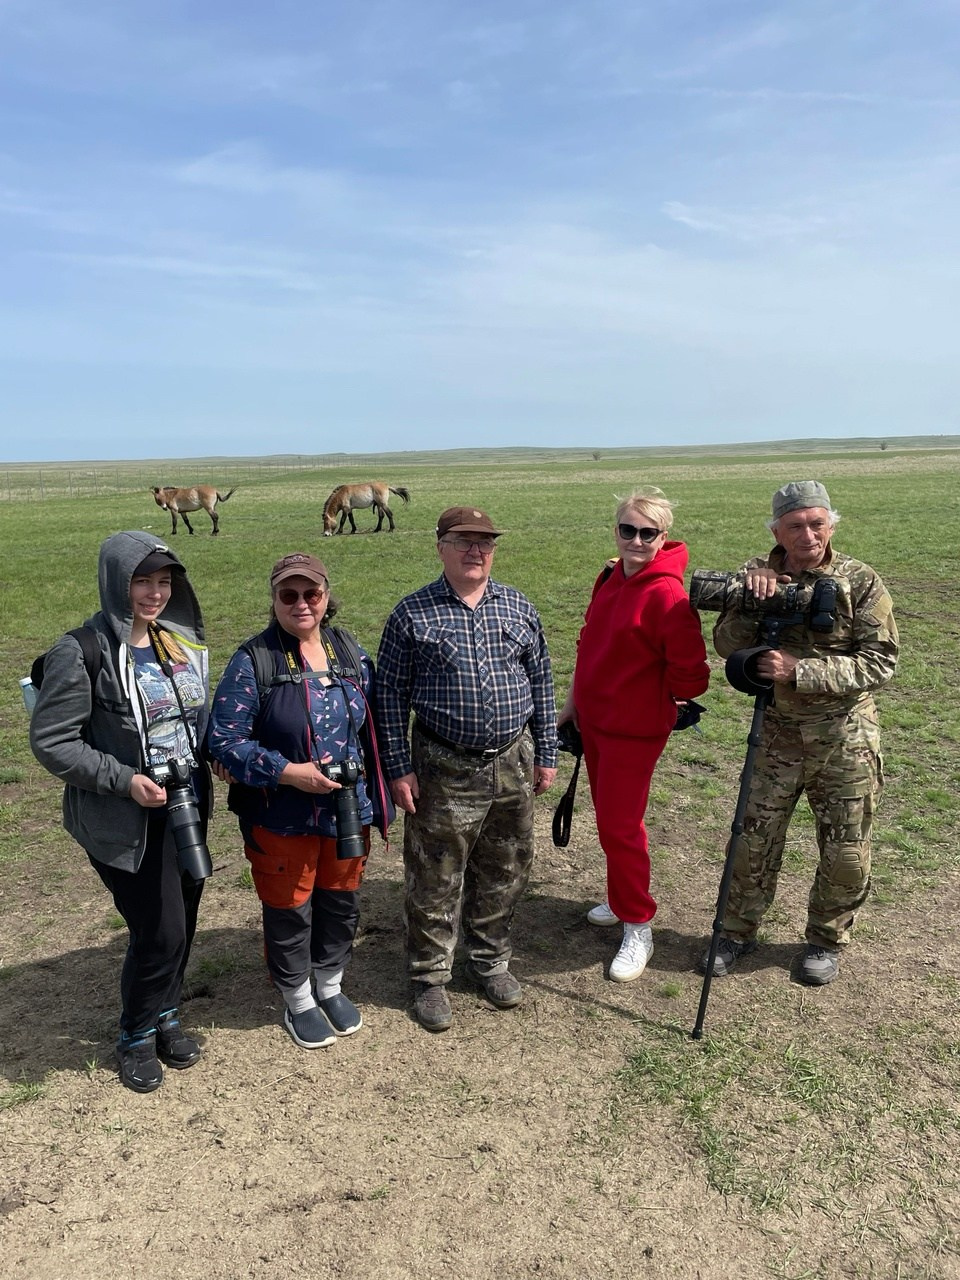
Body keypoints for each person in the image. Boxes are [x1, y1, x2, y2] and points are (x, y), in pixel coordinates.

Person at [30, 532, 211, 1094]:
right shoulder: (79, 651)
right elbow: (53, 741)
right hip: (124, 816)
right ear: (116, 581)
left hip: (182, 805)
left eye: (164, 582)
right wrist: (123, 780)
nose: (155, 593)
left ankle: (166, 1016)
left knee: (182, 919)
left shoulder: (176, 640)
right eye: (142, 581)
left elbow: (191, 716)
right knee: (158, 931)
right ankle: (134, 1034)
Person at [697, 481, 899, 985]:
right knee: (753, 839)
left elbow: (880, 662)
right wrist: (751, 600)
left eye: (817, 523)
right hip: (777, 732)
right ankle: (736, 932)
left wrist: (799, 670)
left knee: (846, 847)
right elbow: (726, 645)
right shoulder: (754, 576)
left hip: (844, 735)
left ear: (831, 523)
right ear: (776, 531)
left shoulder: (861, 580)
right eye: (794, 525)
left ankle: (825, 939)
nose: (807, 534)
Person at [376, 506, 558, 1032]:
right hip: (441, 765)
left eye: (485, 541)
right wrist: (397, 768)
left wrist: (546, 751)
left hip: (512, 761)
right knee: (435, 874)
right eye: (463, 541)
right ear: (441, 548)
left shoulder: (518, 606)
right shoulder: (413, 614)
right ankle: (429, 977)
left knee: (506, 868)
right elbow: (388, 696)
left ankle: (489, 961)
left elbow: (541, 682)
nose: (476, 550)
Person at [206, 553, 391, 1050]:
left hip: (348, 809)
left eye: (311, 593)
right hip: (281, 813)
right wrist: (288, 773)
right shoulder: (254, 660)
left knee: (341, 899)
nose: (301, 604)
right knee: (290, 907)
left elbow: (375, 723)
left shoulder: (349, 650)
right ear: (273, 601)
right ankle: (297, 998)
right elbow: (223, 741)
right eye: (289, 595)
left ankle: (329, 983)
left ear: (327, 597)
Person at [557, 488, 710, 982]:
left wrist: (659, 698)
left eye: (648, 533)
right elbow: (588, 640)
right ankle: (622, 897)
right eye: (629, 530)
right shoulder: (609, 575)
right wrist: (574, 703)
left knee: (621, 827)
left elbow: (693, 677)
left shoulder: (668, 594)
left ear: (663, 537)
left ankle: (639, 922)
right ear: (616, 531)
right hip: (595, 721)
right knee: (609, 819)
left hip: (634, 730)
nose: (637, 540)